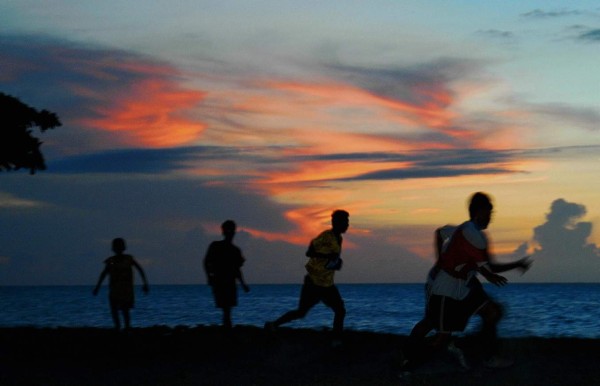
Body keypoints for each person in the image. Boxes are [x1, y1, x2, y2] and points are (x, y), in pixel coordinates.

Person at [403, 192, 531, 371]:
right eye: (489, 213)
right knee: (435, 330)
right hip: (445, 288)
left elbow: (440, 233)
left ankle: (488, 356)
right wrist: (514, 266)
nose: (491, 218)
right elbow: (490, 268)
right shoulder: (474, 236)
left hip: (466, 284)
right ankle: (408, 364)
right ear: (479, 212)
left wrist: (445, 258)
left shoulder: (462, 229)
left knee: (492, 312)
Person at [264, 210, 349, 345]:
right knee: (301, 312)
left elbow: (331, 258)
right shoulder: (326, 236)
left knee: (340, 310)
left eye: (348, 221)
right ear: (337, 223)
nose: (347, 225)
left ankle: (336, 339)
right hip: (314, 282)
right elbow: (309, 252)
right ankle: (273, 325)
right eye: (345, 221)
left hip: (327, 283)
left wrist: (336, 263)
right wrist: (328, 257)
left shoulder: (339, 239)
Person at [93, 238, 149, 331]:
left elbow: (140, 269)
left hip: (125, 290)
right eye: (117, 247)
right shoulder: (111, 261)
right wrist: (97, 287)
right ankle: (118, 327)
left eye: (119, 246)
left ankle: (125, 328)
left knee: (125, 310)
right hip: (115, 290)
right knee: (115, 310)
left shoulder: (129, 259)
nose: (118, 249)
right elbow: (104, 274)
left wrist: (145, 283)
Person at [204, 220, 250, 330]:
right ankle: (227, 331)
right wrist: (209, 276)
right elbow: (206, 262)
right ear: (224, 232)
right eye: (228, 230)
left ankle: (227, 330)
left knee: (227, 309)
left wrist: (243, 284)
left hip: (229, 282)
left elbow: (237, 270)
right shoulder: (216, 246)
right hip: (221, 281)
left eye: (231, 230)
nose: (230, 233)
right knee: (226, 309)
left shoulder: (235, 250)